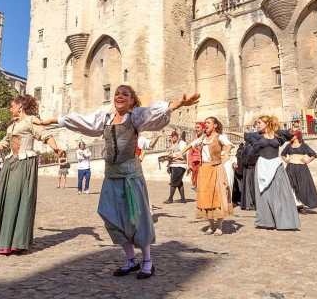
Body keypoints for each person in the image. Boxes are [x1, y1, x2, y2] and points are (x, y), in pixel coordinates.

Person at [38, 85, 199, 279]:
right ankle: (131, 260)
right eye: (117, 93)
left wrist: (178, 104)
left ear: (131, 100)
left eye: (125, 94)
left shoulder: (135, 117)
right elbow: (82, 122)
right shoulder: (103, 120)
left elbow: (153, 112)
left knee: (137, 218)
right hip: (111, 176)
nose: (120, 96)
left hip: (131, 176)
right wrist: (55, 121)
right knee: (110, 216)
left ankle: (147, 261)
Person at [0, 95, 61, 254]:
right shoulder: (12, 125)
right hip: (11, 164)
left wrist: (56, 149)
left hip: (25, 163)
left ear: (20, 106)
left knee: (18, 198)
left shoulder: (31, 120)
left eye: (12, 106)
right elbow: (4, 144)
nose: (10, 109)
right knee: (3, 198)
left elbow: (45, 135)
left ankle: (16, 241)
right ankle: (0, 240)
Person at [177, 117, 234, 236]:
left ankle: (219, 226)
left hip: (216, 168)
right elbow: (191, 145)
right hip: (204, 170)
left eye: (209, 123)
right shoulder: (203, 138)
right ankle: (211, 225)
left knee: (217, 197)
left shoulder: (220, 137)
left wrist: (226, 154)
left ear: (215, 125)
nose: (206, 125)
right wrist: (181, 153)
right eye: (206, 123)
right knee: (205, 197)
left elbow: (228, 145)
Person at [245, 116, 300, 230]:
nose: (257, 125)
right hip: (262, 165)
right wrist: (224, 131)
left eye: (259, 123)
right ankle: (266, 221)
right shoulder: (256, 136)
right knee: (264, 193)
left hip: (276, 165)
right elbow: (243, 135)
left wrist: (295, 127)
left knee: (281, 192)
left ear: (267, 123)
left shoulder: (278, 134)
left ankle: (285, 221)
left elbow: (292, 133)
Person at [281, 131, 317, 212]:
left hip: (301, 168)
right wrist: (287, 160)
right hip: (291, 167)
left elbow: (313, 154)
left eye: (293, 135)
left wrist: (307, 161)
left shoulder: (303, 146)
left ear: (296, 136)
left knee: (301, 185)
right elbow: (283, 154)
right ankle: (295, 204)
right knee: (291, 185)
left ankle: (301, 204)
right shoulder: (288, 146)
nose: (291, 136)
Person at [164, 130, 188, 204]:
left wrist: (173, 155)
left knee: (173, 181)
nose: (174, 137)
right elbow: (169, 155)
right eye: (172, 136)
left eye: (175, 136)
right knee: (179, 182)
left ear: (177, 137)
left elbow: (184, 152)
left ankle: (170, 198)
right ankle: (183, 199)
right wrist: (168, 166)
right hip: (173, 165)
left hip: (180, 165)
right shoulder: (172, 145)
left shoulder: (182, 143)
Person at [187, 122, 204, 191]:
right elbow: (190, 153)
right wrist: (190, 165)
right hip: (196, 163)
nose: (196, 129)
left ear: (203, 129)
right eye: (195, 127)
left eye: (198, 127)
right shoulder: (193, 140)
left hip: (205, 162)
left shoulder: (206, 138)